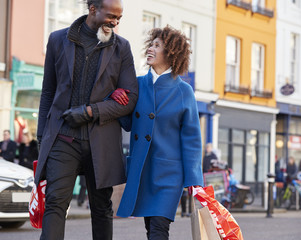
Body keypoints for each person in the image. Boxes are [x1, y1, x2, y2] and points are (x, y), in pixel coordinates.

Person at [34, 0, 138, 239]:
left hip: (102, 141)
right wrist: (43, 137)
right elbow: (48, 92)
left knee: (102, 209)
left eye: (119, 18)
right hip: (62, 138)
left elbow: (130, 98)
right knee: (55, 204)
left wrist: (90, 111)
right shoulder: (58, 40)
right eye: (111, 16)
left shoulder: (122, 48)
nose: (115, 22)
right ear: (93, 9)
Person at [115, 26, 203, 239]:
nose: (151, 49)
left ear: (171, 53)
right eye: (151, 44)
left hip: (169, 175)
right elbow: (128, 124)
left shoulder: (184, 91)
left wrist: (195, 181)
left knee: (158, 229)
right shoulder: (137, 84)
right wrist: (118, 102)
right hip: (142, 170)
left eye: (157, 45)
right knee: (150, 229)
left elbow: (191, 139)